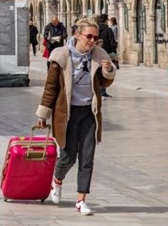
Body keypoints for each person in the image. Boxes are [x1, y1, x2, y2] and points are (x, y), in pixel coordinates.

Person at [36, 18, 116, 216]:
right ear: (77, 35)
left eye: (95, 38)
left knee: (87, 157)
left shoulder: (99, 55)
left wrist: (108, 70)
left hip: (90, 112)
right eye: (88, 36)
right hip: (67, 113)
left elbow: (105, 84)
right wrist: (43, 113)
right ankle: (57, 179)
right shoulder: (61, 55)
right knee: (68, 157)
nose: (92, 41)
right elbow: (51, 87)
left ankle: (81, 200)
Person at [97, 14, 118, 99]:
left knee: (97, 71)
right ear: (106, 20)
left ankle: (98, 90)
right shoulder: (108, 30)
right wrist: (114, 53)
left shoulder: (95, 29)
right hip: (106, 53)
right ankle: (103, 91)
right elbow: (112, 42)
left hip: (96, 52)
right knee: (105, 72)